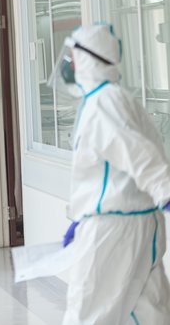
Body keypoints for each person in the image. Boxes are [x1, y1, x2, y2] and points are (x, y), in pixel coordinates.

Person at [54, 24, 170, 324]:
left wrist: (166, 190)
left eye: (72, 56)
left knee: (87, 315)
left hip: (114, 230)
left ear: (87, 59)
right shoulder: (115, 98)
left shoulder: (103, 102)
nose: (68, 63)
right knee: (149, 313)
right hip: (140, 221)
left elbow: (138, 153)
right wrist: (82, 216)